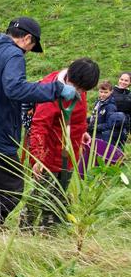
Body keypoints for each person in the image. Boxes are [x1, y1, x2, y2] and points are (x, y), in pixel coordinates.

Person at [0, 17, 76, 229]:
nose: (27, 52)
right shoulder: (13, 54)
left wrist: (33, 90)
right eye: (31, 47)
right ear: (27, 39)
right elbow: (14, 88)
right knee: (11, 188)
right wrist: (56, 89)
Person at [25, 59, 100, 227]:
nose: (80, 92)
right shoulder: (49, 89)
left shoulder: (80, 87)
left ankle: (49, 228)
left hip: (70, 150)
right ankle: (26, 227)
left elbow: (79, 117)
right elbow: (39, 126)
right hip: (48, 150)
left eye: (83, 90)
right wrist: (37, 158)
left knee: (60, 191)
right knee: (41, 192)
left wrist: (82, 132)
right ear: (70, 78)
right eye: (78, 88)